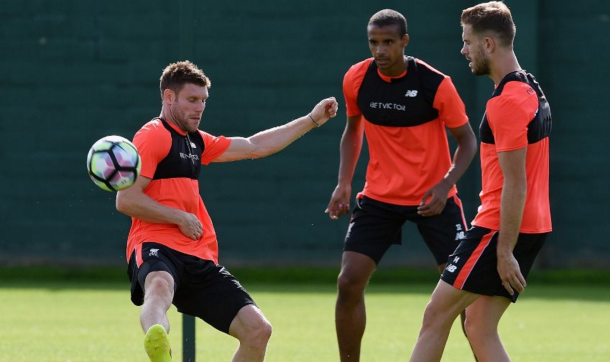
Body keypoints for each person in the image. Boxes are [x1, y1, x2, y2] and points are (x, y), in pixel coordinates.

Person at [116, 60, 338, 362]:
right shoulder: (153, 135)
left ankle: (160, 335)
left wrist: (311, 119)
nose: (200, 108)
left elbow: (254, 146)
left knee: (258, 330)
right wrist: (179, 217)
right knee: (159, 284)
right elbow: (126, 200)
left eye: (204, 101)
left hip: (197, 254)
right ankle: (158, 340)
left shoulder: (196, 141)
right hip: (156, 243)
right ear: (169, 98)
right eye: (192, 100)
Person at [324, 9, 478, 361]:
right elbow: (353, 129)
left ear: (404, 42)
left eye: (388, 43)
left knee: (464, 293)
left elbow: (467, 141)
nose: (380, 51)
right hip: (378, 198)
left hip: (433, 200)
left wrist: (445, 185)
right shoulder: (357, 78)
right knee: (348, 283)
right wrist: (343, 183)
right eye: (374, 42)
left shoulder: (435, 84)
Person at [408, 2, 553, 361]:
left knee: (435, 315)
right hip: (531, 225)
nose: (463, 50)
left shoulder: (505, 103)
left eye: (467, 41)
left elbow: (515, 183)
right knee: (478, 324)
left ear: (488, 44)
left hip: (498, 228)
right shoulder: (529, 86)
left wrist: (504, 251)